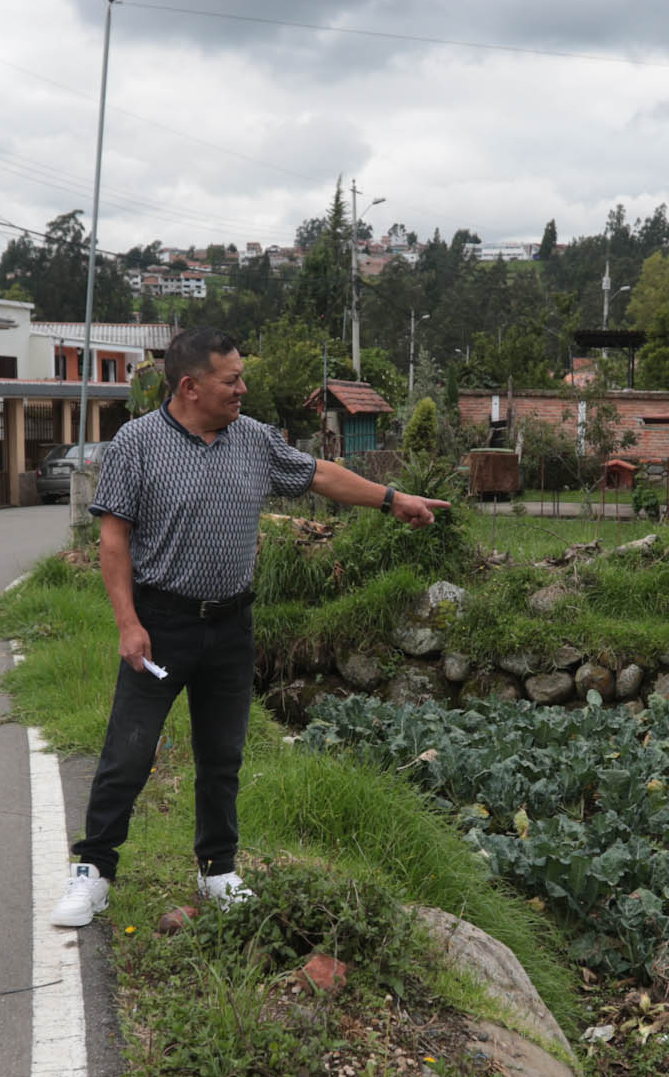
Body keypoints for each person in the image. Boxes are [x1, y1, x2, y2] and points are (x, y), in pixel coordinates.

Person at [52, 327, 450, 927]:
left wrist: (393, 498)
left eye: (241, 377)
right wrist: (128, 622)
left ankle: (217, 869)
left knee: (222, 756)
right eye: (231, 380)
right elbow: (114, 539)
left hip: (231, 624)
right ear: (190, 386)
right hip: (160, 625)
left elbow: (319, 475)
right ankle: (94, 871)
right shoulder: (136, 443)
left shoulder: (255, 439)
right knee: (127, 755)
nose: (243, 389)